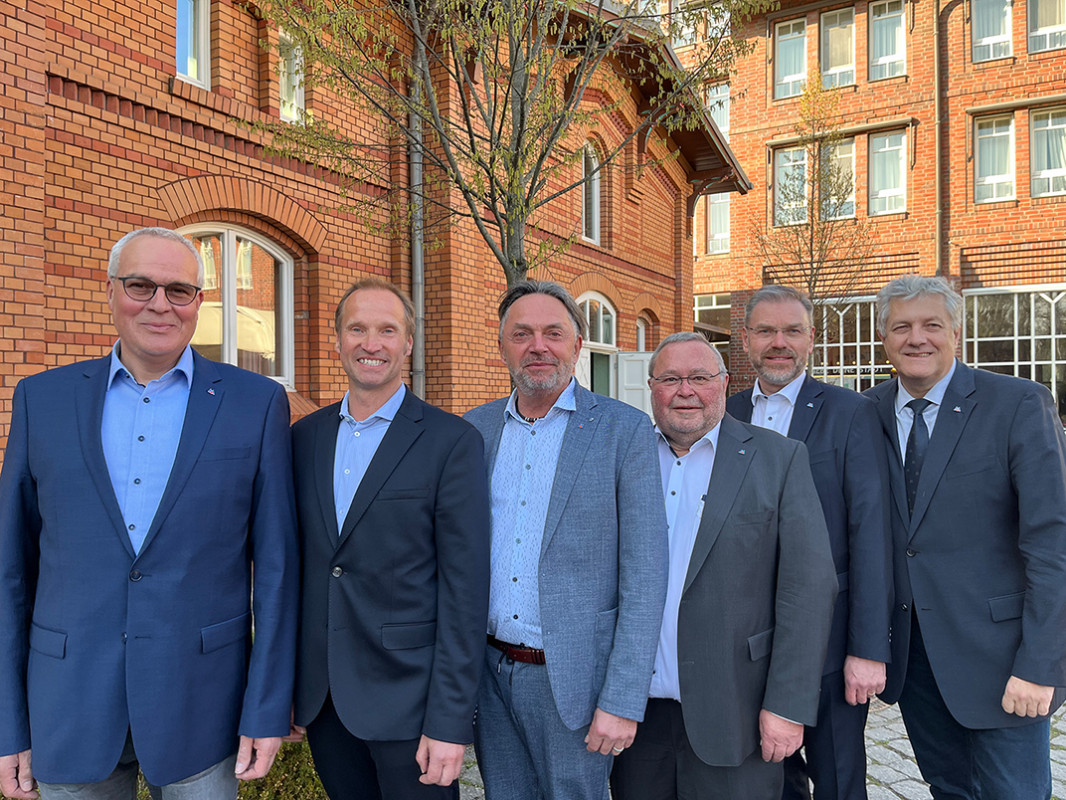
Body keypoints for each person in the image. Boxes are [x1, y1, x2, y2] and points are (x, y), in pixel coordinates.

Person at [0, 227, 298, 800]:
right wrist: (8, 721)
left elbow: (277, 570)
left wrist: (266, 707)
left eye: (178, 290)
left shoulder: (255, 403)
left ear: (199, 302)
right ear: (110, 291)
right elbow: (11, 570)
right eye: (141, 286)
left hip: (201, 702)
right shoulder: (42, 399)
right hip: (68, 701)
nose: (160, 304)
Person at [464, 280, 668, 800]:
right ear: (502, 346)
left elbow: (646, 576)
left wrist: (621, 699)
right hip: (488, 674)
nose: (539, 346)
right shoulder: (475, 430)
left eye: (553, 333)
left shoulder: (624, 430)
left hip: (574, 682)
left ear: (577, 345)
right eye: (522, 334)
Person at [864, 275, 1066, 800]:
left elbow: (1053, 544)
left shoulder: (1018, 404)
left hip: (1002, 660)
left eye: (932, 325)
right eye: (901, 327)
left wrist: (1041, 665)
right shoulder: (866, 412)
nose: (917, 338)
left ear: (957, 332)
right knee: (949, 789)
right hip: (916, 661)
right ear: (883, 338)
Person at [611, 331, 837, 800]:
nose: (685, 391)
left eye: (699, 377)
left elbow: (808, 591)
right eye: (670, 379)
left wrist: (787, 706)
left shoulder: (778, 459)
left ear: (725, 382)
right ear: (651, 387)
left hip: (737, 711)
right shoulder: (625, 458)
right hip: (635, 717)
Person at [290, 279, 490, 800]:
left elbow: (465, 593)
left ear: (408, 343)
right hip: (326, 701)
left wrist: (450, 721)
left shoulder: (451, 442)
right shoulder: (304, 438)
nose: (371, 344)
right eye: (357, 329)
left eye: (387, 330)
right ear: (337, 340)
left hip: (411, 702)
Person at [727, 285, 892, 800]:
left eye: (792, 330)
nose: (779, 342)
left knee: (839, 779)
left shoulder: (851, 412)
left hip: (829, 642)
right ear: (745, 339)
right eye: (766, 331)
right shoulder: (724, 412)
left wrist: (867, 649)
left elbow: (870, 532)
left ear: (811, 338)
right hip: (745, 643)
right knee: (772, 780)